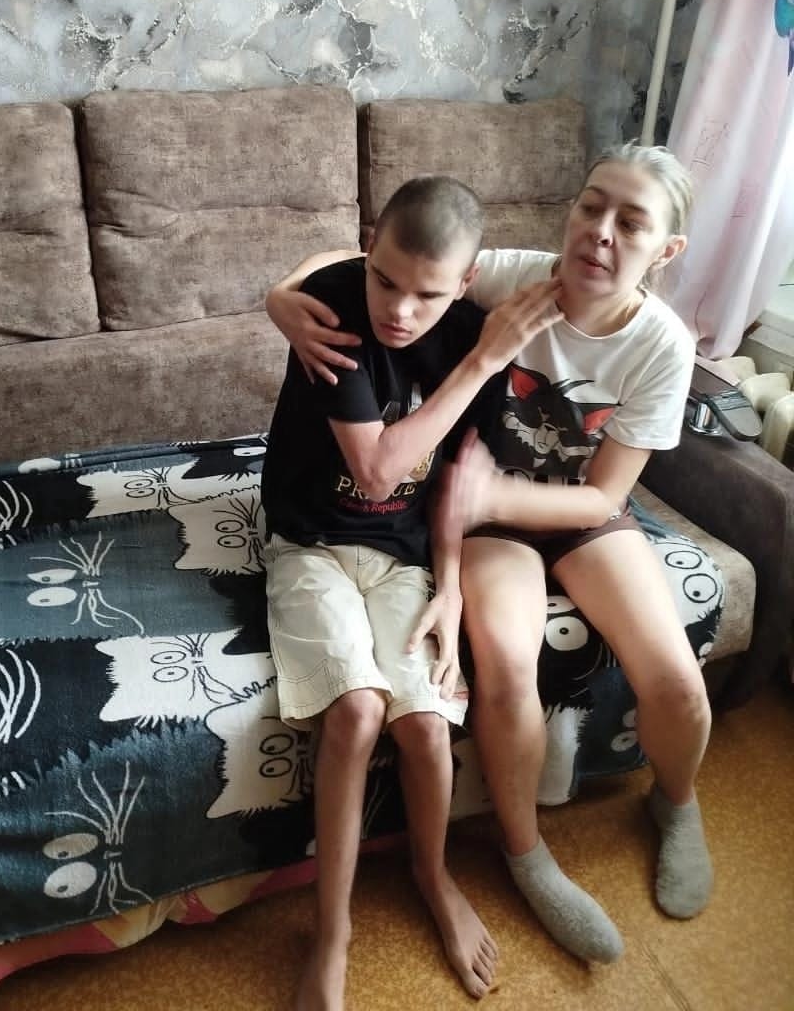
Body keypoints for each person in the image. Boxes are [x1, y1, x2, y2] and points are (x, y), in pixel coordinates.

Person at [266, 143, 711, 968]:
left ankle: (676, 803)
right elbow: (374, 258)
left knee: (678, 681)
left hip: (567, 509)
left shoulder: (662, 345)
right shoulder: (511, 277)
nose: (600, 232)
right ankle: (525, 852)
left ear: (665, 249)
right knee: (507, 663)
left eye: (631, 222)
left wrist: (489, 497)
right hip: (483, 522)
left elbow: (603, 499)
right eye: (591, 205)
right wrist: (279, 297)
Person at [261, 175, 563, 1010]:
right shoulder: (331, 309)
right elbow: (377, 468)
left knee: (427, 727)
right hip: (311, 543)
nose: (399, 310)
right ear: (368, 248)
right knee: (357, 711)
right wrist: (482, 361)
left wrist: (452, 586)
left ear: (465, 282)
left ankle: (433, 876)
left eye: (428, 294)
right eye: (385, 280)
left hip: (402, 553)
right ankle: (332, 933)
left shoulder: (474, 334)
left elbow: (452, 485)